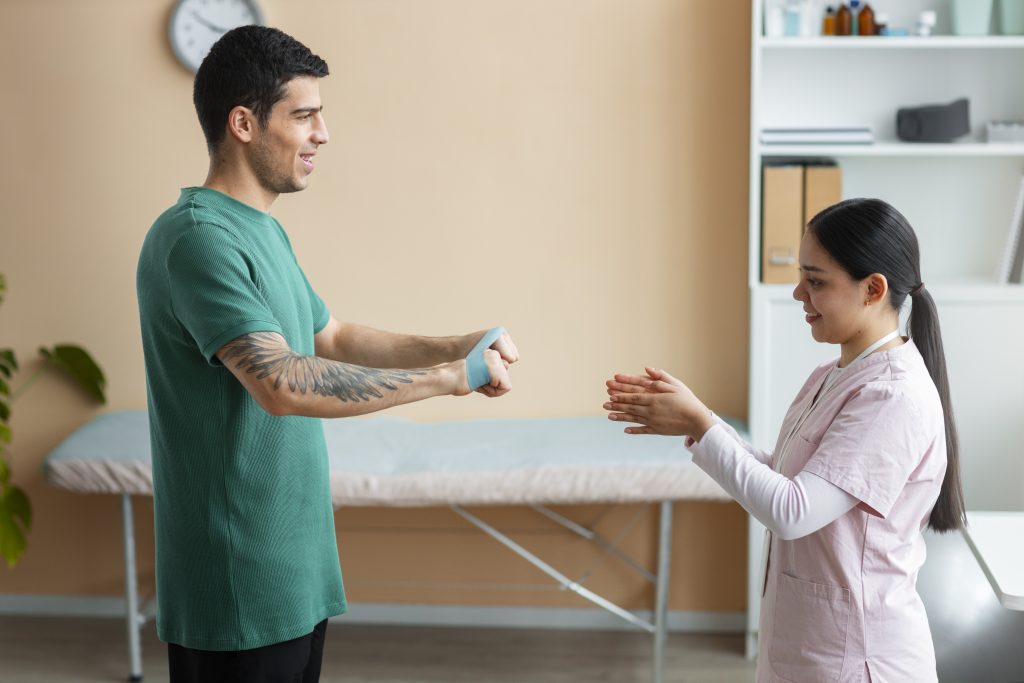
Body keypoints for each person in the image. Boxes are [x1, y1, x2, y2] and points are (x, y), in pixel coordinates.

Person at [136, 25, 519, 683]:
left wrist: (461, 341)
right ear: (244, 124)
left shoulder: (260, 231)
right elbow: (280, 381)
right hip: (238, 578)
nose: (323, 134)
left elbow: (332, 337)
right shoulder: (198, 239)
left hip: (292, 566)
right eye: (303, 115)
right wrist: (451, 377)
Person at [603, 198, 964, 682]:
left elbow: (792, 511)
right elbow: (788, 478)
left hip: (859, 660)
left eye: (816, 281)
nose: (798, 293)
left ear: (873, 289)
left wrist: (703, 425)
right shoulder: (833, 375)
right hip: (809, 647)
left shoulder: (892, 396)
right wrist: (697, 423)